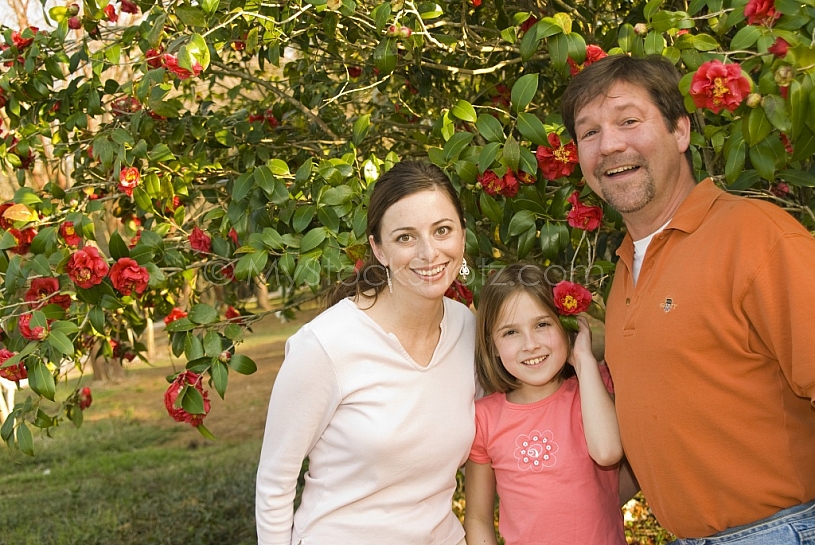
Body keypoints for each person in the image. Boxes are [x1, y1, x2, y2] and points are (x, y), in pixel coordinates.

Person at [560, 54, 815, 543]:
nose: (609, 144)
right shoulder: (623, 275)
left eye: (629, 121)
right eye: (589, 132)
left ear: (680, 131)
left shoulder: (755, 235)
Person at [255, 161, 477, 545]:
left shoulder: (468, 329)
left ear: (461, 235)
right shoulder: (324, 346)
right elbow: (275, 482)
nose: (429, 252)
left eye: (442, 230)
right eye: (405, 237)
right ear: (378, 249)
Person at [464, 263, 626, 545]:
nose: (531, 344)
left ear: (566, 325)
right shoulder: (485, 419)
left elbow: (608, 452)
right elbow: (478, 518)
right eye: (510, 332)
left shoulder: (590, 391)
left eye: (542, 324)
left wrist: (584, 359)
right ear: (492, 346)